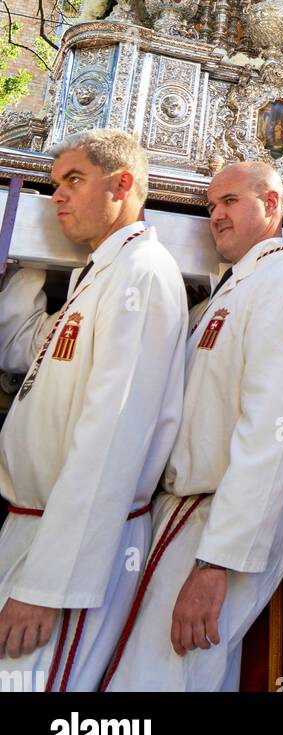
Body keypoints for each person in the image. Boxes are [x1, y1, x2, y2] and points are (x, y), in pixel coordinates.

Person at [102, 160, 283, 692]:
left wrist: (216, 563)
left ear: (272, 205)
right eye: (210, 205)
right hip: (190, 511)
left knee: (159, 675)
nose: (216, 215)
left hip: (223, 520)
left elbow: (270, 431)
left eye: (230, 201)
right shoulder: (235, 290)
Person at [0, 128, 187, 691]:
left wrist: (49, 585)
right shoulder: (98, 275)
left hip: (74, 543)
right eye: (55, 183)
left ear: (123, 184)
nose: (57, 195)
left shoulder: (142, 274)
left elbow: (112, 437)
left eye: (74, 180)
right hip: (33, 526)